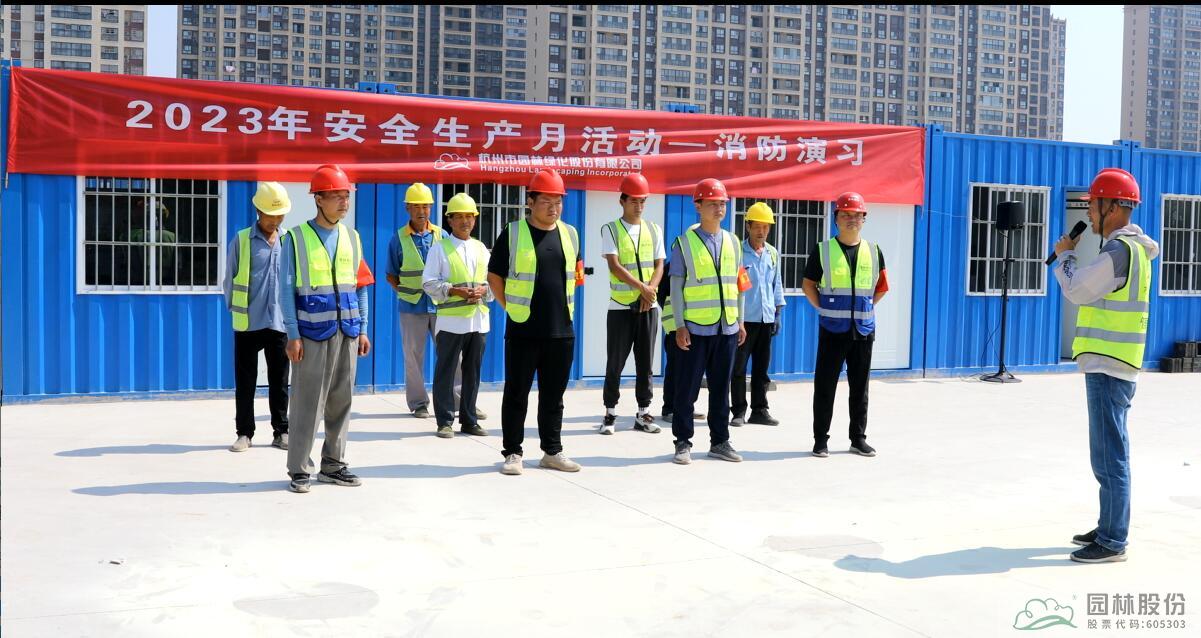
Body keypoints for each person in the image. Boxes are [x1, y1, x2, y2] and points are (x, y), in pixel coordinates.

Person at [1053, 168, 1158, 564]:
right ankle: (1108, 524)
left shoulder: (1118, 251)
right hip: (1115, 363)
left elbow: (1078, 288)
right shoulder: (1134, 250)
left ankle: (1113, 540)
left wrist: (1065, 255)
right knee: (1108, 452)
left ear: (1112, 207)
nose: (1089, 213)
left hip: (1110, 365)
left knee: (1109, 455)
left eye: (1093, 205)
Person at [280, 164, 373, 494]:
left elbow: (360, 287)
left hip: (347, 332)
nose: (344, 202)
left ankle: (333, 464)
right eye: (337, 196)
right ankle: (299, 468)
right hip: (311, 335)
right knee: (307, 404)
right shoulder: (295, 238)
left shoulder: (352, 237)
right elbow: (285, 291)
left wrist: (363, 328)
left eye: (346, 196)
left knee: (341, 401)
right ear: (318, 199)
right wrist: (292, 334)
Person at [487, 169, 583, 476]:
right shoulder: (513, 233)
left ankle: (552, 452)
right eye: (546, 201)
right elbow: (494, 276)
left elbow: (576, 276)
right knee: (517, 393)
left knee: (554, 397)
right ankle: (513, 453)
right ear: (530, 201)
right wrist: (511, 308)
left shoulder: (570, 234)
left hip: (561, 330)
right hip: (523, 329)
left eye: (558, 201)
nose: (553, 207)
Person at [801, 192, 889, 459]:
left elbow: (881, 287)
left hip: (863, 330)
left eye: (857, 215)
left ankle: (858, 439)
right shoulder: (823, 250)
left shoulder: (874, 251)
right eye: (846, 214)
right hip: (832, 329)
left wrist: (866, 308)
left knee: (860, 388)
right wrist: (824, 309)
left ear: (864, 219)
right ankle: (820, 440)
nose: (852, 219)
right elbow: (808, 285)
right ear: (836, 218)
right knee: (825, 387)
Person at [668, 178, 746, 465]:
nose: (719, 208)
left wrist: (740, 321)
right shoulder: (684, 243)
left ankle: (720, 441)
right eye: (712, 203)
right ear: (698, 206)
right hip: (695, 329)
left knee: (721, 389)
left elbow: (739, 284)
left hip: (727, 328)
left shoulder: (733, 242)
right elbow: (676, 287)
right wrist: (679, 324)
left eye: (722, 203)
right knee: (687, 389)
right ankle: (683, 441)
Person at [386, 183, 469, 420]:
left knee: (453, 355)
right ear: (407, 208)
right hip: (411, 307)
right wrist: (407, 292)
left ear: (431, 208)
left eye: (425, 206)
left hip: (441, 306)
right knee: (413, 357)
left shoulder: (443, 236)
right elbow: (391, 274)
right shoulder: (398, 239)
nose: (421, 211)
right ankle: (418, 403)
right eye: (416, 206)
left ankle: (459, 402)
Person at [223, 181, 291, 453]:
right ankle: (244, 433)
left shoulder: (289, 241)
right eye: (271, 215)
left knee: (280, 382)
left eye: (280, 215)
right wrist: (235, 309)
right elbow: (230, 279)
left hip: (279, 322)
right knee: (246, 382)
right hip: (248, 323)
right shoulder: (242, 240)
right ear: (259, 211)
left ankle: (281, 431)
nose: (276, 220)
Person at [422, 193, 492, 439]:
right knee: (446, 372)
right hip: (451, 321)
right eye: (459, 216)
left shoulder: (481, 248)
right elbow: (428, 283)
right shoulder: (439, 249)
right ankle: (444, 421)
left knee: (473, 373)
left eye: (469, 216)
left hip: (478, 320)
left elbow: (493, 283)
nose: (465, 221)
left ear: (475, 219)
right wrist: (453, 290)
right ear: (450, 220)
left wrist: (484, 290)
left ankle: (469, 420)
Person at [599, 173, 665, 435]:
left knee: (645, 364)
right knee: (615, 363)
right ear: (622, 201)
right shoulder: (610, 229)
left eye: (642, 201)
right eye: (634, 201)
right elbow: (614, 266)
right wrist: (643, 289)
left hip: (648, 307)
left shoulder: (654, 229)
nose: (639, 206)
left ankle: (643, 413)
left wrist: (650, 293)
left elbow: (660, 265)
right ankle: (610, 413)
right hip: (620, 307)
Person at [731, 202, 785, 427]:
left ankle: (760, 410)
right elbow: (735, 287)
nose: (761, 231)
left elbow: (776, 283)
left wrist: (778, 312)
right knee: (739, 369)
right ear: (748, 227)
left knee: (761, 369)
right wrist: (738, 321)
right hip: (745, 321)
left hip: (766, 319)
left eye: (766, 227)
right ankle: (738, 412)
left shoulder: (772, 253)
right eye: (757, 226)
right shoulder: (739, 253)